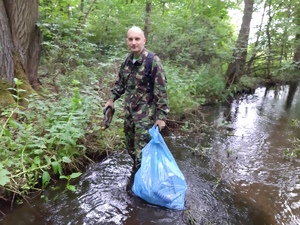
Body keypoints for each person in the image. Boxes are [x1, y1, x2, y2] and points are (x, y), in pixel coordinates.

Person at [104, 26, 169, 180]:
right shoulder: (127, 61)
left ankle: (143, 187)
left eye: (137, 39)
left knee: (143, 152)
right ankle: (138, 176)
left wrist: (161, 117)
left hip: (146, 118)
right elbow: (121, 84)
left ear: (144, 40)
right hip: (129, 115)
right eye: (130, 39)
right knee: (131, 148)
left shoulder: (152, 61)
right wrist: (111, 99)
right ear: (127, 41)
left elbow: (161, 91)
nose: (134, 42)